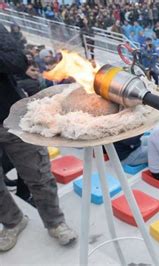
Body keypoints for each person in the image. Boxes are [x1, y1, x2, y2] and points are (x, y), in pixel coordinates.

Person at [0, 22, 77, 252]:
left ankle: (55, 222)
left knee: (38, 174)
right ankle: (13, 221)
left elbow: (18, 60)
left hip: (10, 117)